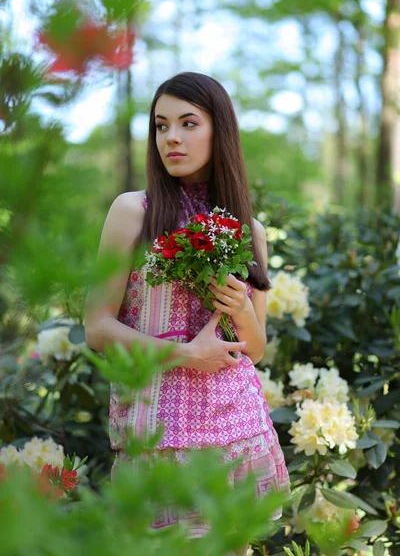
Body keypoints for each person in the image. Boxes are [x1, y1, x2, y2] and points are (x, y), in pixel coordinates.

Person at [85, 71, 290, 555]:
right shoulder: (134, 211)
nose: (171, 137)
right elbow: (97, 328)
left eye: (188, 123)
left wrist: (240, 308)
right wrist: (185, 353)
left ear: (219, 130)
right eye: (160, 125)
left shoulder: (249, 230)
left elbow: (255, 351)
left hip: (236, 430)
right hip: (158, 432)